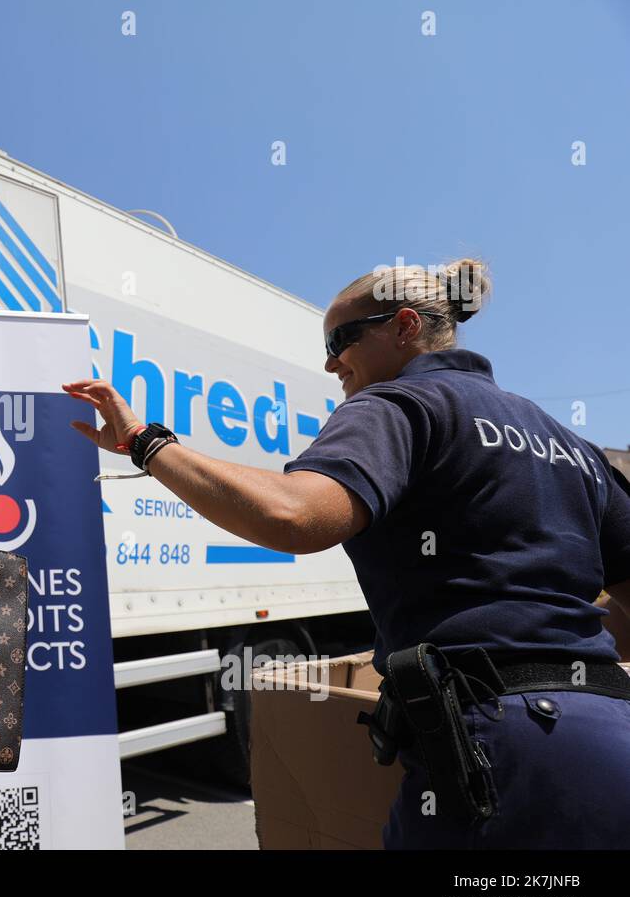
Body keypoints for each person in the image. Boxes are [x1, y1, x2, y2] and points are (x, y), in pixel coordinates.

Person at [65, 258, 630, 849]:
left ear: (405, 327)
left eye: (341, 339)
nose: (331, 362)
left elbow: (293, 516)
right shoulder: (573, 446)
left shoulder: (400, 405)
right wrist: (570, 682)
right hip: (612, 730)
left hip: (494, 754)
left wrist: (144, 442)